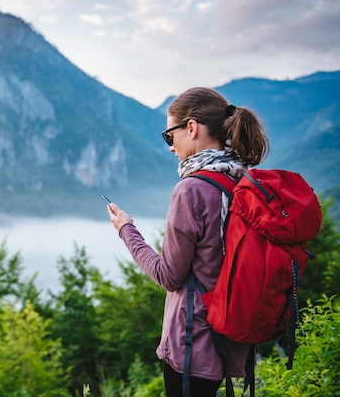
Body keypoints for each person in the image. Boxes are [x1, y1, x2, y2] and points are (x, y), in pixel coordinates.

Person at [106, 87, 270, 397]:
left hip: (193, 345)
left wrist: (126, 230)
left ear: (191, 127)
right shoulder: (243, 181)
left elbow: (169, 275)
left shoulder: (191, 190)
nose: (170, 147)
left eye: (170, 136)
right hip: (233, 337)